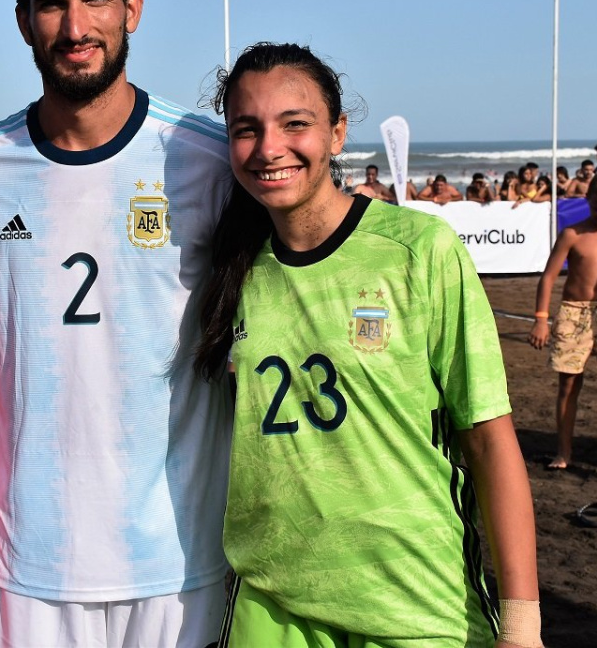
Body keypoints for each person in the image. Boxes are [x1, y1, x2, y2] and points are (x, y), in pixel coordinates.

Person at [0, 0, 232, 648]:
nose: (76, 26)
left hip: (177, 556)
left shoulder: (207, 158)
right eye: (51, 4)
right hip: (36, 559)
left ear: (131, 9)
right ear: (22, 22)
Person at [197, 42, 541, 648]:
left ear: (337, 133)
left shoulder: (420, 249)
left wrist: (523, 625)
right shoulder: (230, 270)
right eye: (246, 130)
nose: (269, 148)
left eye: (294, 123)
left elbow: (488, 440)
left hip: (416, 606)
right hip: (273, 604)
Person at [528, 178, 597, 470]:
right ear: (590, 198)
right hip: (573, 313)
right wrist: (541, 319)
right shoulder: (572, 234)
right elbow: (548, 277)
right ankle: (564, 453)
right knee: (568, 385)